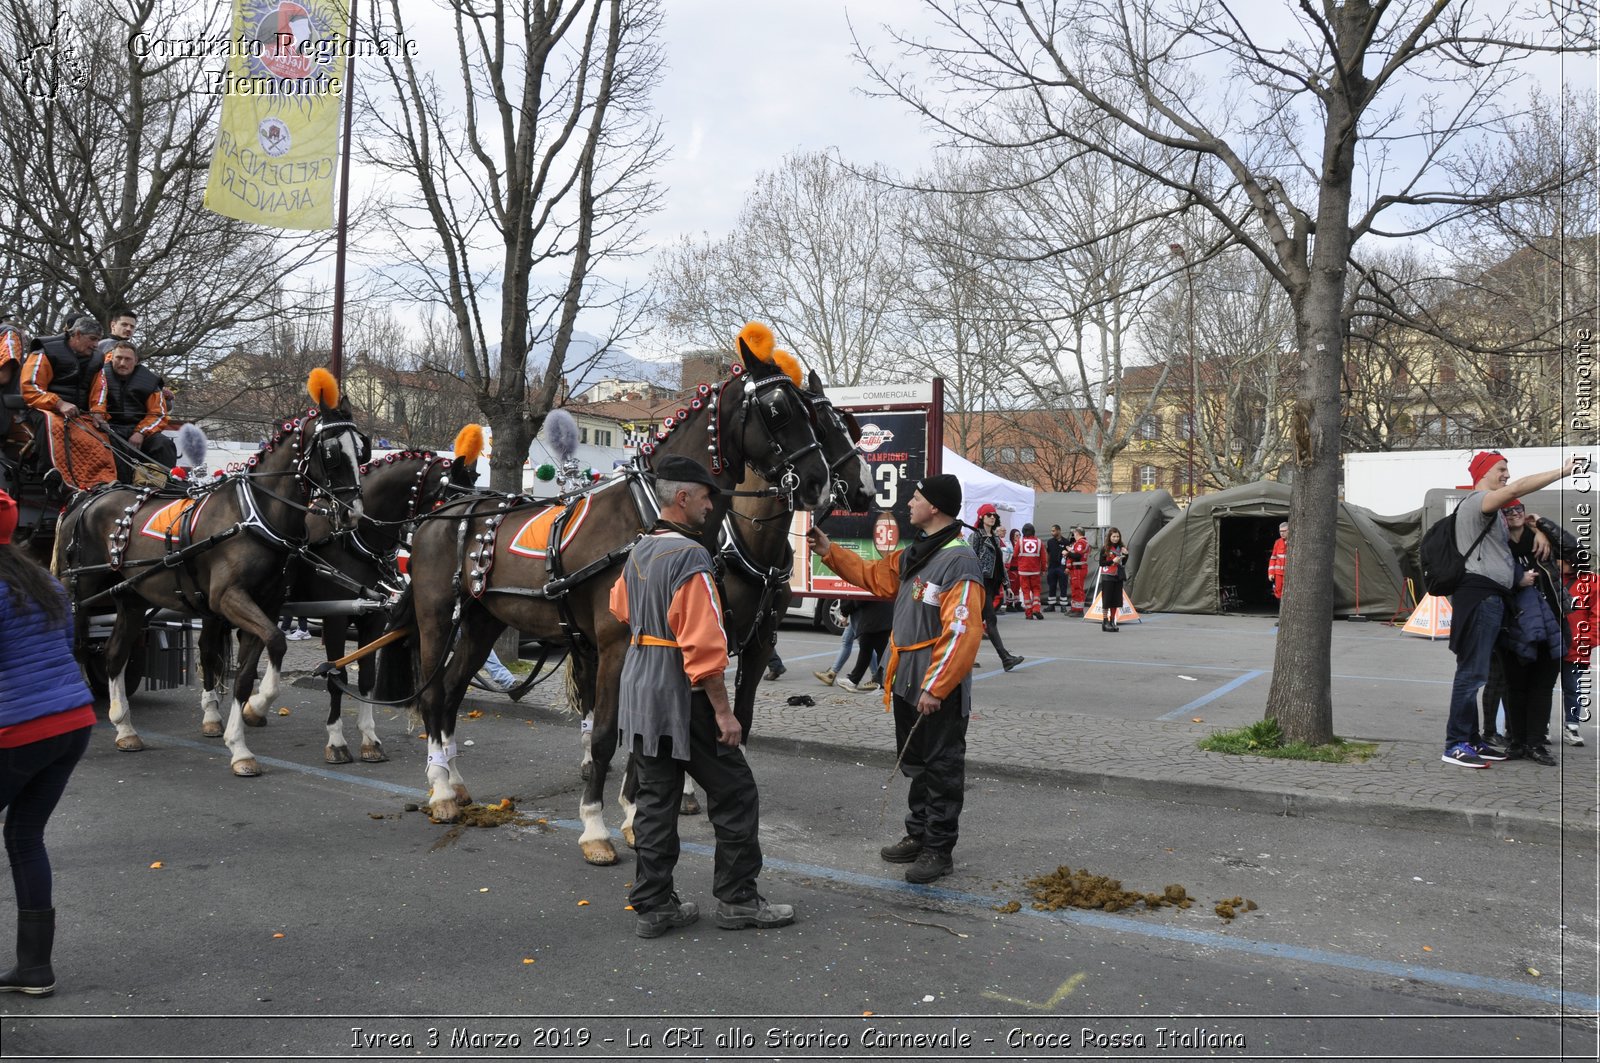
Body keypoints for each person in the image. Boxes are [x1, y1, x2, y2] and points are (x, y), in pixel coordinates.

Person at [609, 455, 794, 937]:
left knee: (655, 798)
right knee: (735, 792)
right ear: (683, 496)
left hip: (640, 684)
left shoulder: (640, 550)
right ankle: (738, 900)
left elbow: (619, 607)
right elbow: (705, 645)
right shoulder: (691, 556)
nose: (713, 505)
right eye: (708, 495)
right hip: (681, 691)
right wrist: (724, 713)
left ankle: (652, 906)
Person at [807, 473, 985, 884]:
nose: (909, 503)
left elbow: (962, 631)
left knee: (941, 767)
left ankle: (938, 850)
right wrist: (830, 550)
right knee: (917, 764)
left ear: (935, 507)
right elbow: (875, 576)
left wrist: (936, 687)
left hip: (934, 686)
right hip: (906, 680)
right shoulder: (919, 552)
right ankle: (918, 833)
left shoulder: (958, 560)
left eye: (917, 497)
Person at [0, 489, 96, 996]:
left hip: (20, 730)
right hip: (72, 722)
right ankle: (34, 967)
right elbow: (62, 650)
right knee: (24, 835)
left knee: (24, 835)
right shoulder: (43, 582)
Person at [1441, 451, 1576, 768]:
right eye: (1502, 469)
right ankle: (1455, 743)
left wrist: (1538, 528)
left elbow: (1517, 544)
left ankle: (1473, 740)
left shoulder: (1492, 515)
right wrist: (1564, 471)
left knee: (1477, 674)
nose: (1506, 475)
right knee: (1471, 675)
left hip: (1492, 601)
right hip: (1480, 599)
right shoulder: (1479, 501)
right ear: (1485, 472)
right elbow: (1517, 491)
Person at [1500, 501, 1573, 765]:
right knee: (1515, 687)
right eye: (1508, 510)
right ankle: (1517, 742)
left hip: (1551, 623)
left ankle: (1536, 743)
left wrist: (1542, 525)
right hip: (1514, 625)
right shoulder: (1497, 545)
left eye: (1519, 508)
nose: (1515, 513)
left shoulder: (1541, 540)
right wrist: (1516, 580)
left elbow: (1575, 551)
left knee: (1542, 688)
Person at [19, 317, 116, 494]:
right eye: (93, 339)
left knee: (99, 436)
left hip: (79, 413)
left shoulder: (97, 359)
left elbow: (99, 390)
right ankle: (50, 474)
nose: (96, 345)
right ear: (77, 335)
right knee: (51, 424)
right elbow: (30, 387)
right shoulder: (45, 351)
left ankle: (101, 483)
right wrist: (59, 403)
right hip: (43, 408)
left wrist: (98, 413)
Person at [89, 341, 178, 479]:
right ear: (112, 357)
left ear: (136, 361)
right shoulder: (100, 376)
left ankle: (167, 488)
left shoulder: (150, 380)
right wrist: (100, 418)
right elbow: (97, 402)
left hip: (139, 429)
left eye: (127, 359)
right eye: (118, 358)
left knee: (163, 444)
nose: (122, 363)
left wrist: (140, 432)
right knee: (110, 445)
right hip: (109, 429)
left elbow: (158, 415)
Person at [967, 504, 1023, 672]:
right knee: (990, 620)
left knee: (977, 624)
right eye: (988, 514)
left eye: (993, 515)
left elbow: (1000, 564)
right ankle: (1005, 658)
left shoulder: (994, 538)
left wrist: (1007, 584)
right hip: (980, 584)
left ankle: (968, 657)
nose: (992, 517)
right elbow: (970, 559)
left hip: (992, 585)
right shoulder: (976, 536)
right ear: (981, 517)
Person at [1559, 556, 1596, 747]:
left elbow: (1597, 617)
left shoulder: (1592, 583)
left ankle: (1571, 726)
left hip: (1575, 646)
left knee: (1573, 688)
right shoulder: (1547, 576)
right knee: (1541, 689)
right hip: (1548, 643)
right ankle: (1542, 728)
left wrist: (1585, 641)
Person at [838, 596, 892, 692]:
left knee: (868, 648)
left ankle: (855, 681)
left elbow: (859, 597)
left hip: (874, 615)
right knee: (873, 649)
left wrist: (845, 611)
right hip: (884, 613)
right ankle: (881, 681)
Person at [1097, 528, 1130, 632]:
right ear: (1109, 537)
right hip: (1108, 576)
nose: (1116, 538)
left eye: (1117, 536)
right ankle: (1105, 621)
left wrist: (1126, 555)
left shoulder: (1122, 548)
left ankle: (1112, 621)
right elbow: (1101, 563)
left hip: (1118, 576)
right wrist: (1112, 561)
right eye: (1114, 536)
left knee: (1116, 600)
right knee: (1107, 599)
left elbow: (1123, 563)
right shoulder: (1105, 548)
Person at [1014, 522, 1045, 619]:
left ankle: (1029, 613)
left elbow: (1015, 555)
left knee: (1026, 591)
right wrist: (1043, 569)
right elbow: (1043, 558)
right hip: (1035, 571)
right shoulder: (1039, 542)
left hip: (1023, 571)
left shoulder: (1020, 541)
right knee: (1036, 590)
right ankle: (1036, 608)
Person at [1066, 527, 1091, 614]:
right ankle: (1074, 608)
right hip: (1076, 569)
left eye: (1074, 534)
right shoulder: (1080, 543)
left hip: (1079, 569)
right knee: (1074, 589)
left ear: (1077, 533)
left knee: (1078, 589)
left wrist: (1068, 552)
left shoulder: (1081, 543)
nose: (1074, 535)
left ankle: (1079, 610)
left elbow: (1077, 556)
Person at [1044, 524, 1068, 612]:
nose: (1052, 532)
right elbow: (1048, 554)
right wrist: (1047, 564)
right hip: (1052, 567)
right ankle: (1051, 605)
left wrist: (1067, 567)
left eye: (1053, 531)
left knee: (1063, 586)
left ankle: (1063, 606)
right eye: (1051, 531)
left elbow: (1069, 556)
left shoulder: (1066, 542)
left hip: (1062, 567)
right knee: (1051, 585)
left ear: (1059, 531)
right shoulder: (1050, 542)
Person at [1268, 522, 1288, 603]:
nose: (1282, 533)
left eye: (1284, 531)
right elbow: (1273, 558)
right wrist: (1271, 573)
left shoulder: (1294, 542)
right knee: (1278, 591)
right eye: (1280, 531)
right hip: (1278, 573)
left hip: (1289, 574)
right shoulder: (1278, 542)